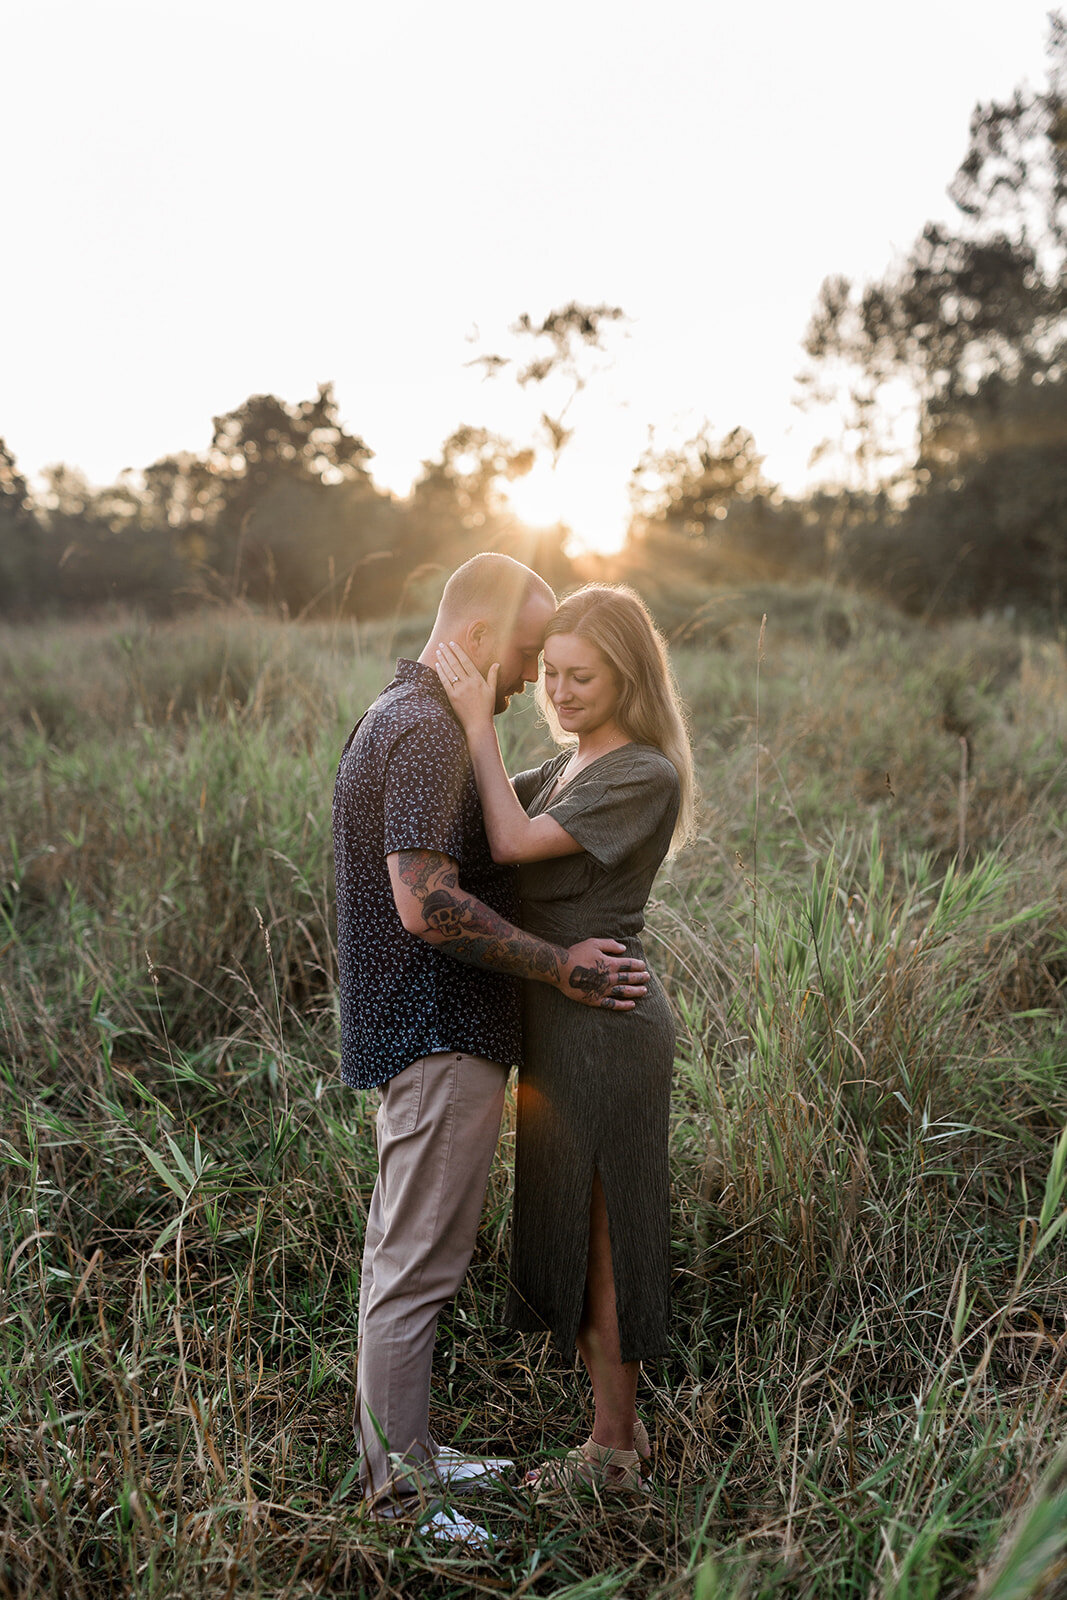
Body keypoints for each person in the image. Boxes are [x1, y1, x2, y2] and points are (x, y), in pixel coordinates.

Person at [332, 553, 651, 1546]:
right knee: (414, 1273)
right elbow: (423, 904)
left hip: (422, 1028)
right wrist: (559, 965)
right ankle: (399, 1503)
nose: (529, 680)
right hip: (437, 1030)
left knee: (404, 1258)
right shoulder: (425, 730)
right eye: (521, 654)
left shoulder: (396, 713)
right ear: (475, 639)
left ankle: (411, 1457)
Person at [435, 582, 695, 1494]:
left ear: (628, 676)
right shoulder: (567, 768)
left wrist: (474, 717)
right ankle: (608, 1442)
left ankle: (614, 1452)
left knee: (608, 1234)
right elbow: (469, 826)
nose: (559, 692)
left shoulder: (640, 772)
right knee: (575, 1232)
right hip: (559, 1022)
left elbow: (504, 847)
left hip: (605, 1029)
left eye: (581, 676)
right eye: (547, 674)